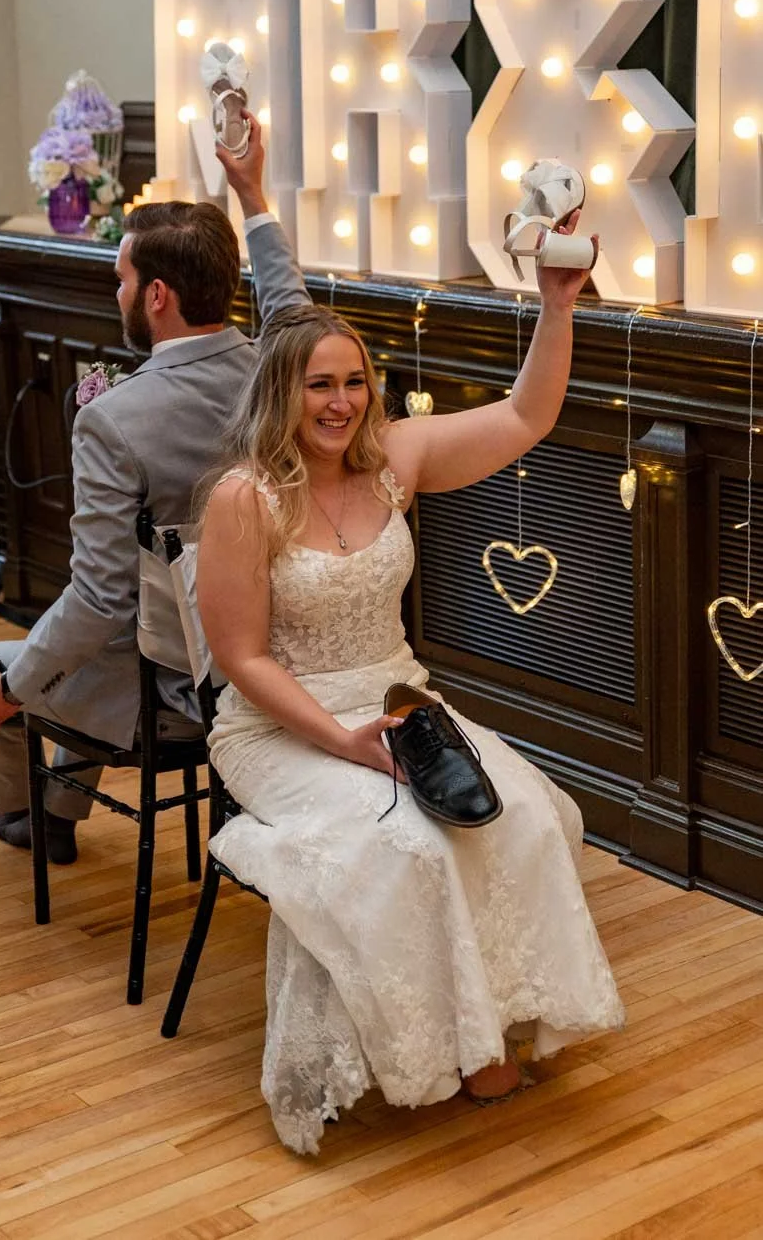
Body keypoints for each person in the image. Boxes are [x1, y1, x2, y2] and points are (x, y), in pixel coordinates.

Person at [196, 228, 626, 1154]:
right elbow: (242, 658)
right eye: (320, 384)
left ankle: (487, 1036)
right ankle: (423, 1051)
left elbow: (524, 418)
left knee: (522, 812)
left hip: (396, 699)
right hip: (279, 724)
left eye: (353, 382)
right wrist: (343, 742)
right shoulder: (244, 499)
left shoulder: (395, 458)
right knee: (406, 848)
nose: (341, 402)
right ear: (283, 393)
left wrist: (557, 306)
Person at [0, 119, 310, 864]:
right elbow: (293, 307)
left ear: (158, 295)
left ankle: (29, 816)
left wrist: (10, 688)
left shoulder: (115, 420)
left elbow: (101, 600)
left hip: (183, 685)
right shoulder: (287, 372)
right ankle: (47, 795)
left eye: (122, 281)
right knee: (72, 641)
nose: (119, 295)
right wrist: (252, 194)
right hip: (289, 657)